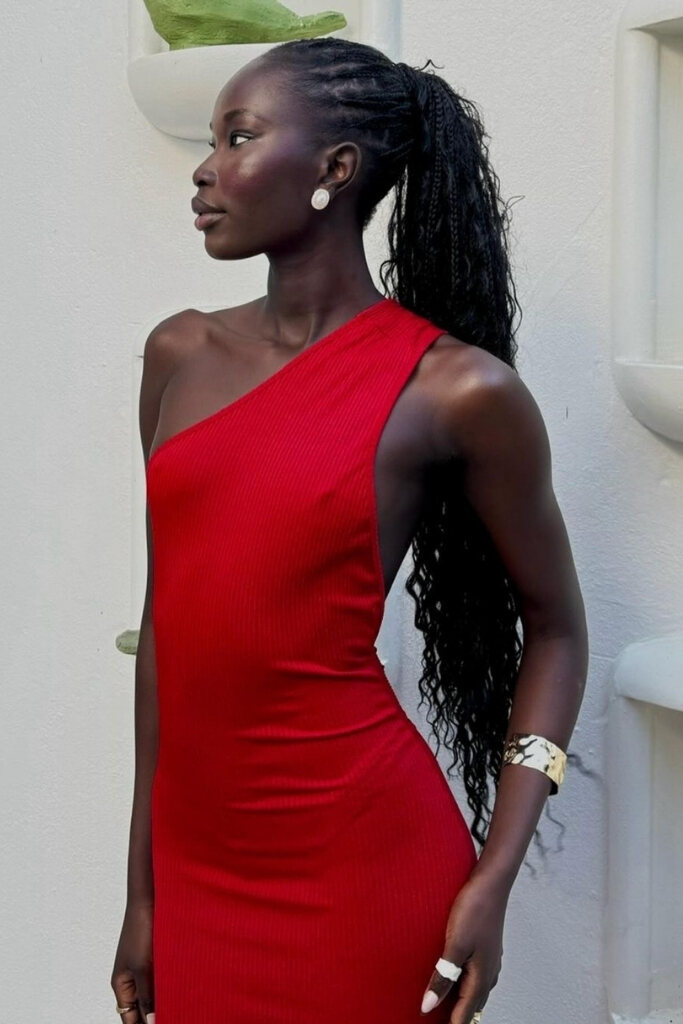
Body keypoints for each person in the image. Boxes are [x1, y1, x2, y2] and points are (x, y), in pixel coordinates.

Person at [111, 35, 590, 1024]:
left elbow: (556, 630)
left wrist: (493, 877)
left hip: (361, 872)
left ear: (333, 168)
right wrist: (143, 892)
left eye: (238, 137)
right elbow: (166, 631)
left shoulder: (455, 390)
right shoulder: (178, 354)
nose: (205, 168)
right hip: (198, 871)